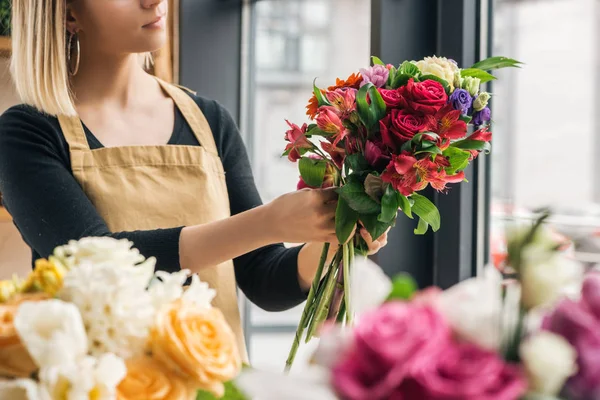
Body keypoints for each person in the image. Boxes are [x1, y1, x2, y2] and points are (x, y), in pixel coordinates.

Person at [0, 0, 388, 359]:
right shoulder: (25, 134)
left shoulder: (209, 120)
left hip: (216, 384)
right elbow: (96, 261)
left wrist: (329, 240)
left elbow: (261, 278)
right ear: (69, 14)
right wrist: (268, 222)